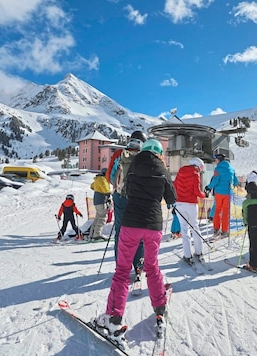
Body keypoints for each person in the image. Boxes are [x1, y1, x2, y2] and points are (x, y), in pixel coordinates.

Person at [94, 138, 177, 345]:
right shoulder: (163, 169)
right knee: (152, 266)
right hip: (153, 225)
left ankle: (114, 319)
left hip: (131, 222)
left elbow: (127, 191)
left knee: (122, 271)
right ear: (158, 153)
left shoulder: (132, 167)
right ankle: (160, 309)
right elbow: (171, 196)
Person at [106, 131, 146, 275]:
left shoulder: (119, 154)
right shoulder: (145, 155)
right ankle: (139, 265)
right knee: (139, 233)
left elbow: (109, 176)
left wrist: (118, 187)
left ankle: (121, 267)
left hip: (120, 197)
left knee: (120, 232)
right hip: (139, 200)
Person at [173, 157, 207, 264]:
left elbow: (174, 186)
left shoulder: (181, 171)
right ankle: (198, 252)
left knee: (184, 229)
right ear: (197, 165)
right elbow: (196, 191)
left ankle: (187, 255)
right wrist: (204, 195)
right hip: (191, 204)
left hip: (179, 203)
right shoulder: (195, 174)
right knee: (195, 227)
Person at [205, 153, 239, 239]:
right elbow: (235, 181)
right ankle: (225, 231)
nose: (215, 161)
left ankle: (216, 229)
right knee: (226, 212)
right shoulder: (231, 168)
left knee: (217, 210)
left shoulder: (218, 168)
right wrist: (232, 186)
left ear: (219, 160)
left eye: (215, 159)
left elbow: (215, 180)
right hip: (228, 193)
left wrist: (209, 187)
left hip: (219, 193)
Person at [89, 168, 111, 240]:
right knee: (102, 217)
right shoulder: (102, 179)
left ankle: (92, 234)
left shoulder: (97, 179)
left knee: (98, 217)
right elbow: (106, 190)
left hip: (97, 200)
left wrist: (97, 189)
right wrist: (109, 194)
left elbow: (91, 186)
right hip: (101, 200)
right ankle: (97, 235)